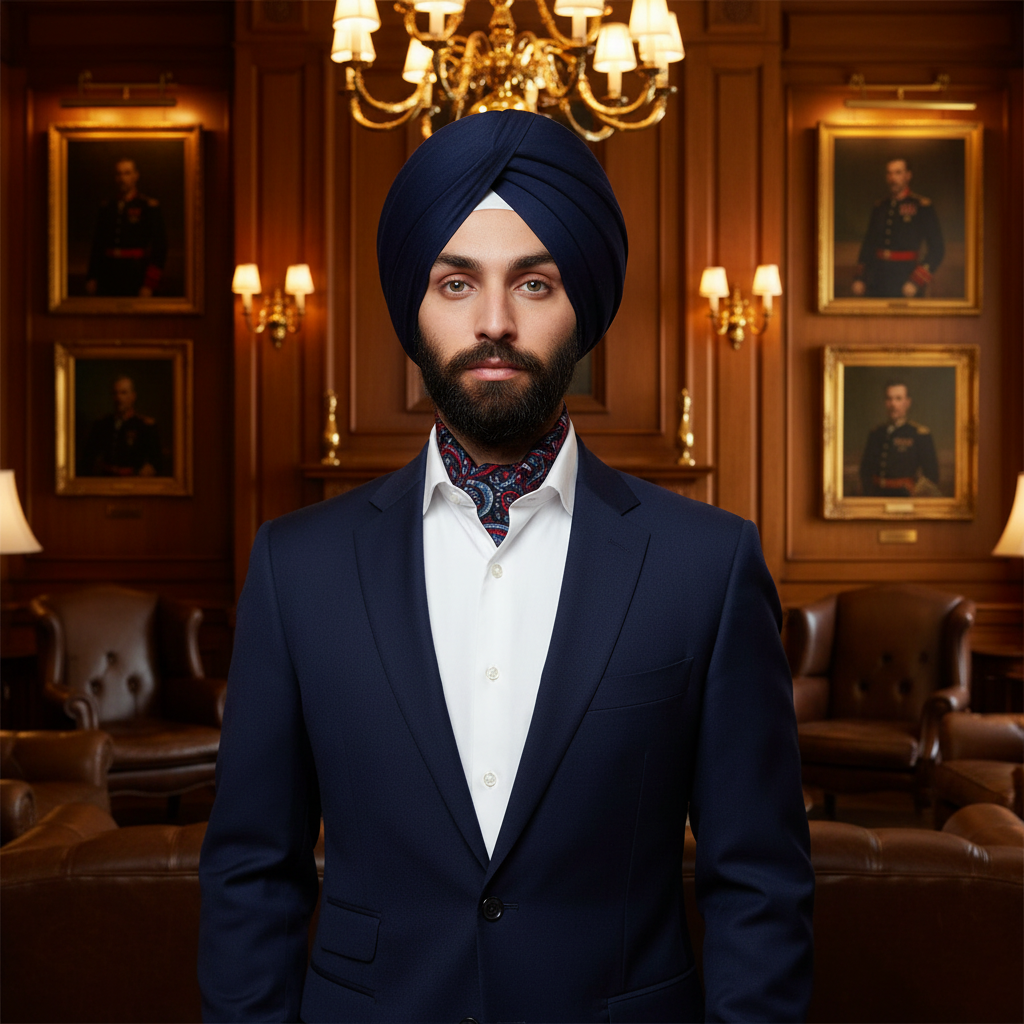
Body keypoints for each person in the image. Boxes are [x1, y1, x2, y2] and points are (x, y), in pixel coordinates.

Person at [199, 110, 814, 1023]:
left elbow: (759, 886)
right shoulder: (298, 569)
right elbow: (253, 875)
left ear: (584, 309)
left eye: (534, 282)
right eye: (456, 283)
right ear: (414, 306)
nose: (494, 323)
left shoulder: (708, 566)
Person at [850, 157, 944, 298]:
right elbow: (868, 245)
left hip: (906, 278)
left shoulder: (922, 206)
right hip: (876, 278)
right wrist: (860, 278)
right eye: (889, 173)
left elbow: (937, 249)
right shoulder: (880, 206)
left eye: (898, 173)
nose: (893, 178)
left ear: (908, 176)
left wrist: (916, 281)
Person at [85, 158, 167, 297]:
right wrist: (92, 277)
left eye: (127, 173)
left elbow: (160, 247)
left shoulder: (148, 206)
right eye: (119, 174)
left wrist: (149, 284)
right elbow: (97, 245)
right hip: (108, 273)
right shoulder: (107, 207)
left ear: (136, 176)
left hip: (136, 273)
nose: (122, 178)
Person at [859, 380, 940, 498]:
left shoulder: (920, 435)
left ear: (907, 402)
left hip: (905, 497)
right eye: (889, 399)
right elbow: (864, 470)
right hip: (876, 496)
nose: (893, 404)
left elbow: (932, 476)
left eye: (898, 399)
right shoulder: (876, 433)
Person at [79, 374, 162, 477]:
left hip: (134, 481)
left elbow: (157, 462)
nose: (118, 397)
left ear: (133, 396)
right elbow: (88, 458)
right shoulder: (101, 424)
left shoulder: (146, 426)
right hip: (105, 480)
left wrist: (149, 468)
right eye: (115, 393)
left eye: (123, 393)